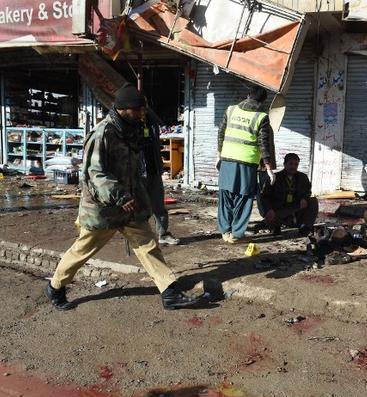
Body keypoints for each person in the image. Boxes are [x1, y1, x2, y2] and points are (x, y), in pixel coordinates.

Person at [45, 83, 201, 311]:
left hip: (129, 205)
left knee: (148, 244)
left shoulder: (131, 129)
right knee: (82, 250)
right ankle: (55, 286)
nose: (142, 113)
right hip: (103, 208)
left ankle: (169, 292)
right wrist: (119, 195)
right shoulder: (102, 133)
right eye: (138, 109)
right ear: (124, 108)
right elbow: (94, 173)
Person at [216, 85, 274, 243]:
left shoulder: (231, 109)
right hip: (247, 163)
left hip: (227, 159)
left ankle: (225, 231)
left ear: (248, 95)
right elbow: (264, 144)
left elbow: (221, 132)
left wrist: (219, 155)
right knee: (244, 197)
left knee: (226, 195)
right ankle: (235, 234)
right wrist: (268, 167)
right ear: (263, 100)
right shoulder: (262, 116)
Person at [141, 106, 179, 245]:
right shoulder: (129, 125)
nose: (143, 111)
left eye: (145, 108)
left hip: (154, 170)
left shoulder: (152, 123)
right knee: (141, 208)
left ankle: (163, 234)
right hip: (139, 172)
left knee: (159, 206)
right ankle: (141, 237)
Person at [261, 153, 318, 236]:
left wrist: (304, 198)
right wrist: (268, 210)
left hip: (295, 208)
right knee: (271, 218)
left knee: (313, 201)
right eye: (290, 164)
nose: (293, 167)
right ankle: (274, 226)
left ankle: (305, 227)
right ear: (285, 164)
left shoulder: (303, 178)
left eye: (296, 164)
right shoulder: (275, 178)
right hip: (280, 209)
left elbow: (307, 191)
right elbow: (265, 196)